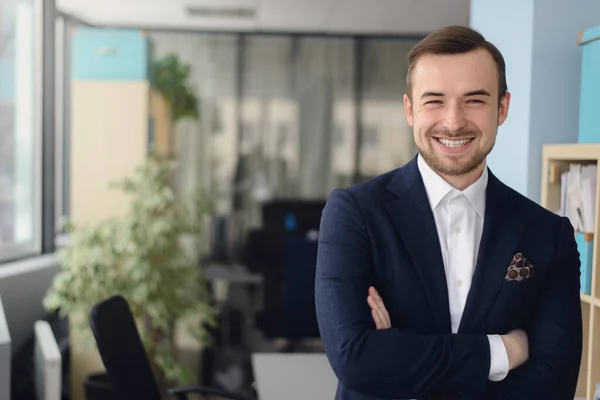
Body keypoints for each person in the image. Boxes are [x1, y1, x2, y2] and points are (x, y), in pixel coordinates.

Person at [315, 25, 582, 400]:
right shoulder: (354, 214)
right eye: (434, 101)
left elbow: (553, 385)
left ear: (502, 108)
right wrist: (503, 351)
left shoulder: (548, 234)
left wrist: (400, 358)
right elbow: (356, 359)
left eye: (474, 100)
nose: (454, 122)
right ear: (410, 109)